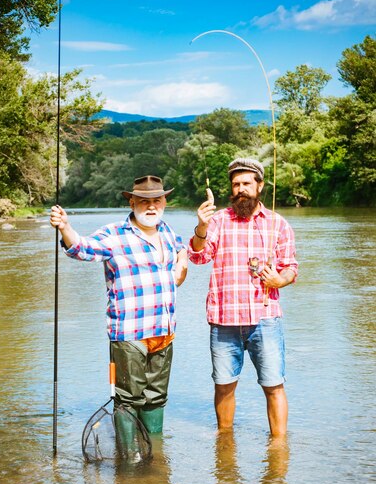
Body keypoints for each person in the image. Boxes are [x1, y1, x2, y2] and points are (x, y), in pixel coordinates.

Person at [50, 175, 187, 435]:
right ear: (132, 202)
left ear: (165, 202)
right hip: (129, 335)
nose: (151, 206)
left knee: (156, 397)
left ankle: (155, 457)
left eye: (156, 200)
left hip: (164, 332)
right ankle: (130, 463)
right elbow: (81, 248)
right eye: (144, 201)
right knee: (128, 400)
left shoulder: (167, 232)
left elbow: (181, 247)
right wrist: (65, 228)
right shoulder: (114, 233)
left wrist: (183, 259)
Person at [188, 158, 298, 436]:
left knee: (274, 385)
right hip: (224, 319)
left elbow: (291, 268)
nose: (241, 189)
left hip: (266, 318)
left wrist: (279, 280)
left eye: (247, 183)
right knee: (223, 385)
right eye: (236, 184)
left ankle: (278, 446)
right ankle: (225, 444)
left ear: (259, 186)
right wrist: (201, 227)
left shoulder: (278, 224)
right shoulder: (218, 221)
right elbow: (198, 256)